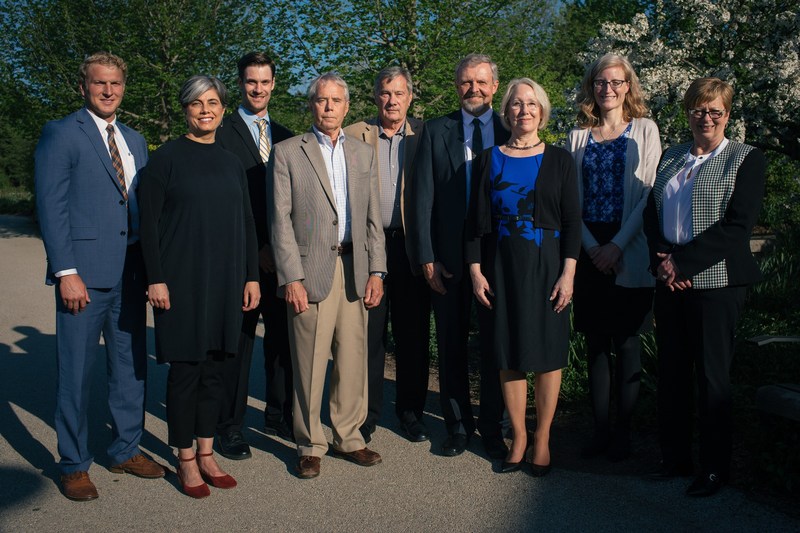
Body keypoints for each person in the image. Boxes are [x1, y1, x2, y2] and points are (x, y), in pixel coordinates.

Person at [34, 52, 164, 501]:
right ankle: (72, 463)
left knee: (130, 369)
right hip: (84, 276)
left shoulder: (135, 139)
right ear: (84, 87)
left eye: (116, 84)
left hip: (131, 273)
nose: (108, 91)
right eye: (99, 83)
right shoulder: (61, 133)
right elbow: (52, 208)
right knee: (76, 371)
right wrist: (65, 271)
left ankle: (126, 448)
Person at [643, 77, 766, 497]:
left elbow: (737, 226)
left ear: (727, 115)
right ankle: (675, 458)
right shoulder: (673, 156)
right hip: (670, 282)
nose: (706, 117)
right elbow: (651, 212)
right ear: (688, 112)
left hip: (718, 286)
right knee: (673, 374)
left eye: (715, 110)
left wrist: (684, 261)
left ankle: (714, 469)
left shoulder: (745, 158)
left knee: (713, 378)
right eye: (698, 109)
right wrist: (662, 259)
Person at [139, 76, 260, 498]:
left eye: (213, 102)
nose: (205, 109)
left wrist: (251, 276)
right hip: (181, 282)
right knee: (187, 371)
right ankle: (185, 457)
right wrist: (155, 279)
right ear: (185, 109)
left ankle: (208, 452)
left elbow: (246, 223)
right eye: (196, 103)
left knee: (217, 369)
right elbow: (148, 226)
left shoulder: (231, 163)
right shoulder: (165, 159)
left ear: (224, 109)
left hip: (227, 280)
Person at [268, 72, 386, 479]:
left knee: (353, 359)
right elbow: (280, 221)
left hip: (355, 267)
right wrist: (291, 278)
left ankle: (349, 436)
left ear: (348, 106)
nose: (329, 107)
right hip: (310, 270)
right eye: (321, 100)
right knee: (309, 361)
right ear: (311, 105)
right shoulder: (286, 152)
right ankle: (309, 443)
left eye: (336, 100)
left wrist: (377, 269)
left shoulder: (362, 152)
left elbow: (373, 218)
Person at [467, 78, 581, 475]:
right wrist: (475, 270)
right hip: (500, 267)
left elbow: (572, 222)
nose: (524, 110)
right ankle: (517, 435)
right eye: (516, 104)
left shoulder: (561, 159)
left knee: (549, 353)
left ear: (542, 111)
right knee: (508, 351)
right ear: (506, 112)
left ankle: (543, 437)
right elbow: (474, 223)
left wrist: (569, 273)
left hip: (549, 266)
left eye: (532, 104)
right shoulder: (487, 159)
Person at [410, 53, 508, 458]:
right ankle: (456, 425)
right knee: (449, 342)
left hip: (497, 257)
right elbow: (421, 199)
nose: (474, 89)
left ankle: (493, 426)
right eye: (466, 82)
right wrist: (426, 256)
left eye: (482, 82)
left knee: (494, 344)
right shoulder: (435, 131)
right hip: (448, 255)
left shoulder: (512, 129)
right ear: (456, 85)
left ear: (495, 86)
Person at [565, 54, 661, 461]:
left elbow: (648, 195)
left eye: (616, 82)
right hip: (589, 250)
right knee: (596, 345)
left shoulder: (645, 129)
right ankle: (600, 430)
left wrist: (617, 246)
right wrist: (591, 248)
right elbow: (570, 201)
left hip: (629, 247)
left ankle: (623, 434)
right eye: (600, 82)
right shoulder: (577, 137)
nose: (608, 89)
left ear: (628, 87)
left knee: (626, 343)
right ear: (592, 86)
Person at [214, 52, 296, 459]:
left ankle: (278, 414)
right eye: (250, 82)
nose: (258, 89)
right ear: (241, 83)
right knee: (239, 343)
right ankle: (230, 426)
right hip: (241, 259)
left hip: (282, 260)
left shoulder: (287, 135)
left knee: (282, 342)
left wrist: (281, 251)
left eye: (264, 82)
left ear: (274, 84)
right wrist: (256, 249)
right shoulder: (222, 132)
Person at [344, 66, 431, 444]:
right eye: (385, 92)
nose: (392, 100)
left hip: (410, 247)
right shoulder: (353, 136)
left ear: (410, 97)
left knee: (412, 335)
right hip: (368, 248)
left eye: (399, 93)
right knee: (370, 334)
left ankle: (410, 411)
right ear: (375, 96)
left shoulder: (426, 136)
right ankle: (366, 413)